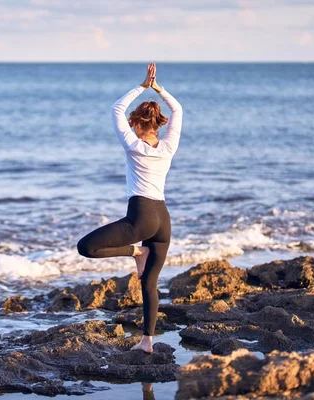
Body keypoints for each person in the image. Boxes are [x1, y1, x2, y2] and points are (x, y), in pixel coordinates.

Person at [77, 62, 183, 353]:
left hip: (141, 216)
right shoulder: (168, 147)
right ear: (157, 125)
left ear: (136, 124)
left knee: (86, 247)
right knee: (150, 282)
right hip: (163, 218)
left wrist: (142, 86)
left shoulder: (133, 145)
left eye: (133, 123)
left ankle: (136, 251)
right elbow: (178, 111)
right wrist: (158, 88)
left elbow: (115, 109)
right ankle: (147, 342)